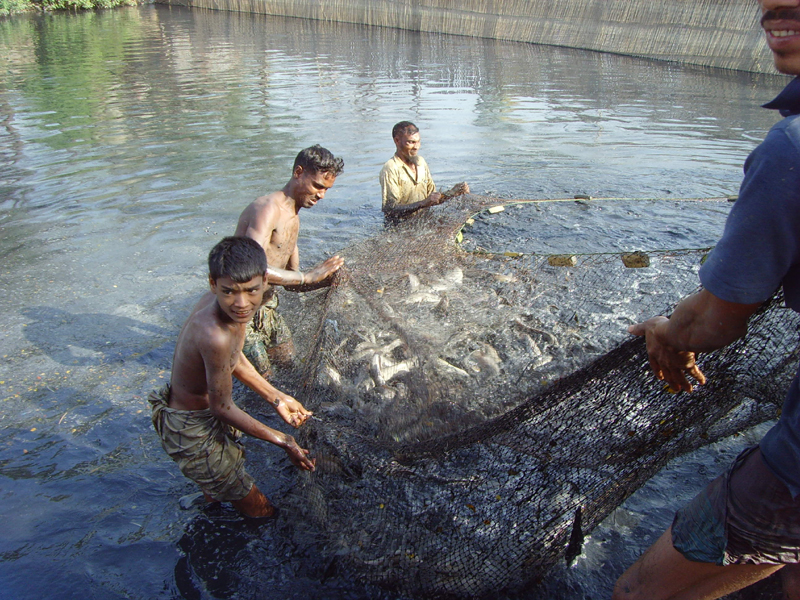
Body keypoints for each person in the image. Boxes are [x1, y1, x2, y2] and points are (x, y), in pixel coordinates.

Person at [612, 2, 800, 598]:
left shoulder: (791, 148)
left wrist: (666, 330)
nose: (773, 8)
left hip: (795, 473)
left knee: (638, 593)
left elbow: (717, 320)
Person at [149, 236, 316, 519]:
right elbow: (222, 407)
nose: (241, 303)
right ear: (212, 284)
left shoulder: (227, 311)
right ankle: (222, 497)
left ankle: (212, 498)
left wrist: (277, 397)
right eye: (229, 292)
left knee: (220, 479)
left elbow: (234, 358)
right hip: (190, 427)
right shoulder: (214, 334)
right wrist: (284, 440)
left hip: (203, 411)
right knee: (262, 513)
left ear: (265, 281)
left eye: (251, 291)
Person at [235, 145, 345, 377]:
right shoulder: (267, 209)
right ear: (298, 172)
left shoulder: (293, 217)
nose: (322, 195)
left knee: (292, 370)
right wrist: (308, 276)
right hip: (241, 313)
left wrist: (325, 280)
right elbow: (251, 269)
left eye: (326, 189)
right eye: (317, 186)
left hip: (268, 308)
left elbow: (291, 283)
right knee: (265, 382)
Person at [379, 121, 469, 222]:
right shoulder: (390, 168)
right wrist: (423, 203)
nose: (416, 147)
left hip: (423, 221)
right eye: (411, 142)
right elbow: (389, 210)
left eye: (418, 142)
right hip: (400, 225)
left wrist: (454, 192)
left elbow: (433, 199)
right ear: (397, 140)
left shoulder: (421, 162)